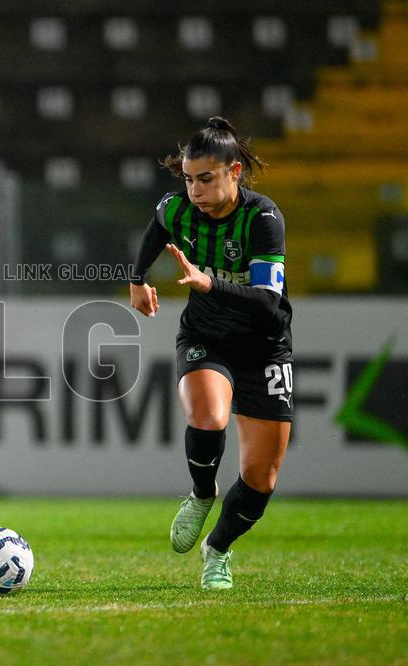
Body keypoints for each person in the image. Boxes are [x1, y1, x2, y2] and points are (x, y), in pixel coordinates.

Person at [128, 116, 292, 590]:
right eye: (188, 179)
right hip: (206, 335)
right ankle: (202, 493)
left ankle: (217, 548)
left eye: (205, 179)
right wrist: (137, 280)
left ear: (234, 172)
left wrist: (209, 283)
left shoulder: (263, 219)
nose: (194, 190)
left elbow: (268, 302)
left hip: (265, 346)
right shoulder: (178, 209)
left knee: (261, 478)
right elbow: (157, 228)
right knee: (207, 416)